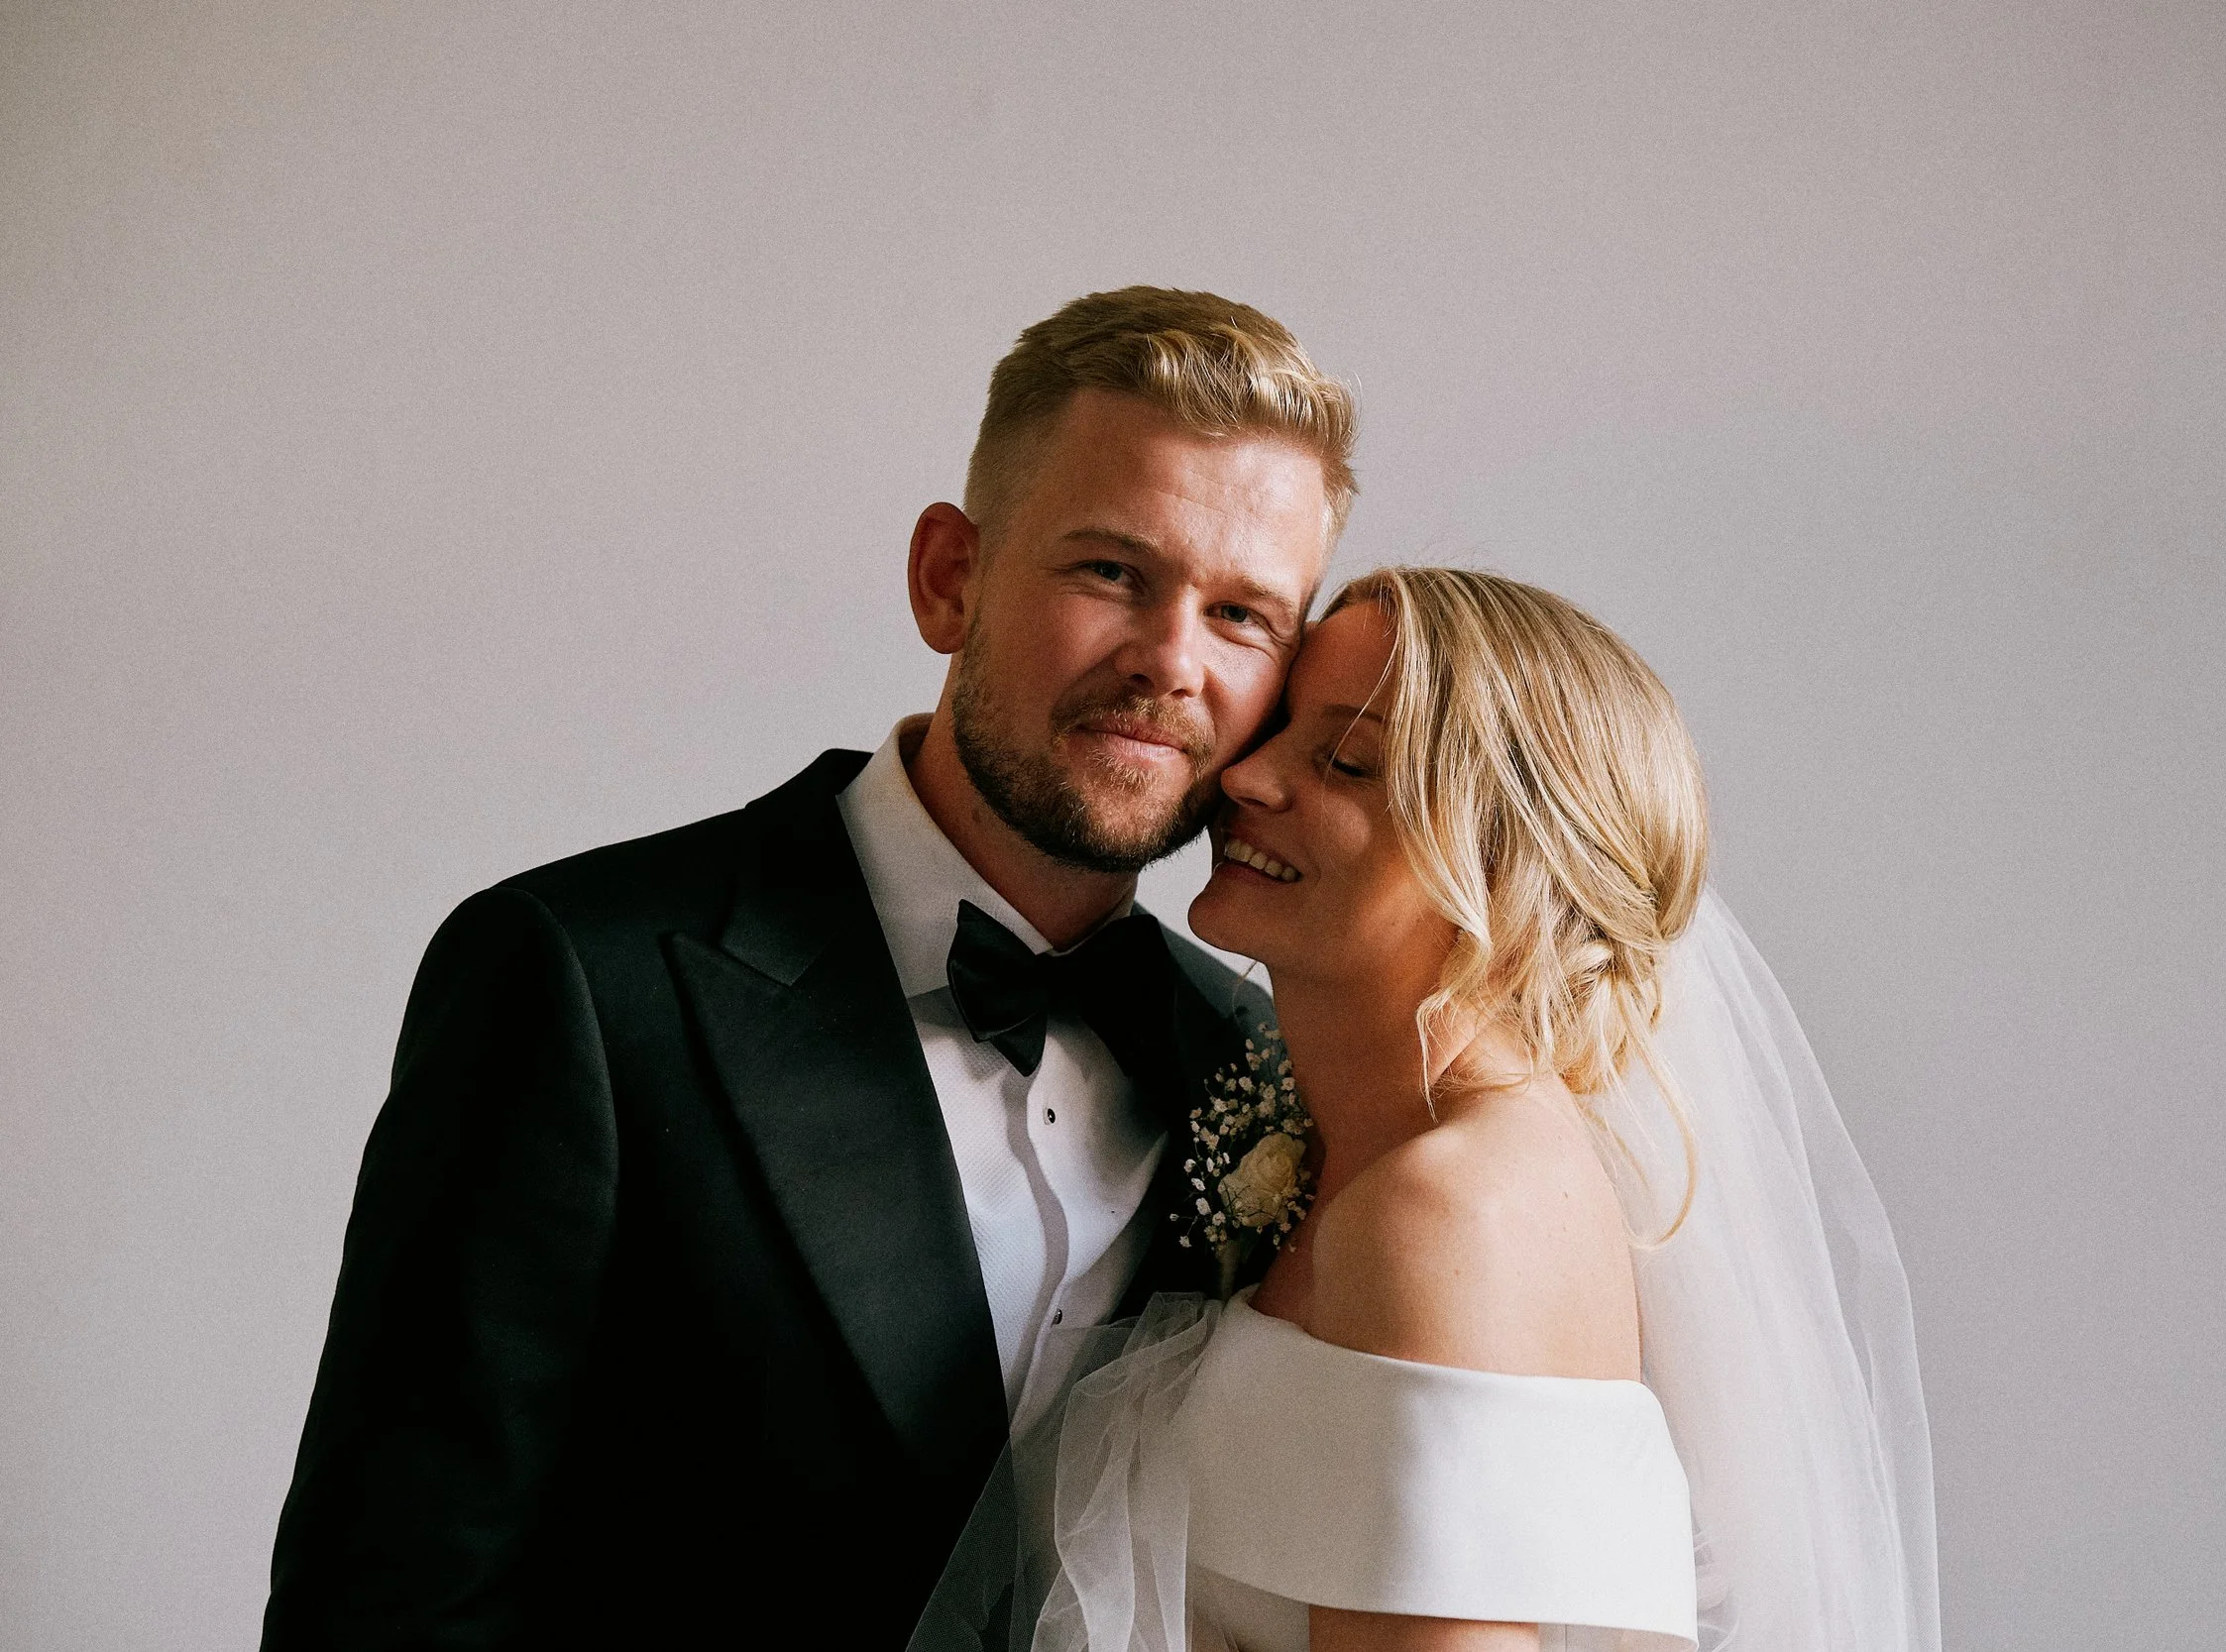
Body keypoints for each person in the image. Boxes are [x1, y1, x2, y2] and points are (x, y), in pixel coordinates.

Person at [260, 287, 1358, 1650]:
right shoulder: (581, 980)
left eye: (1245, 615)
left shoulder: (1261, 1055)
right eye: (1111, 572)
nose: (1171, 661)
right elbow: (390, 1604)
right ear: (949, 575)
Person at [1004, 569, 1940, 1652]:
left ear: (1503, 859)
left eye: (1345, 759)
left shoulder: (1450, 1214)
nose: (1246, 775)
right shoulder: (1365, 1152)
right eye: (1275, 727)